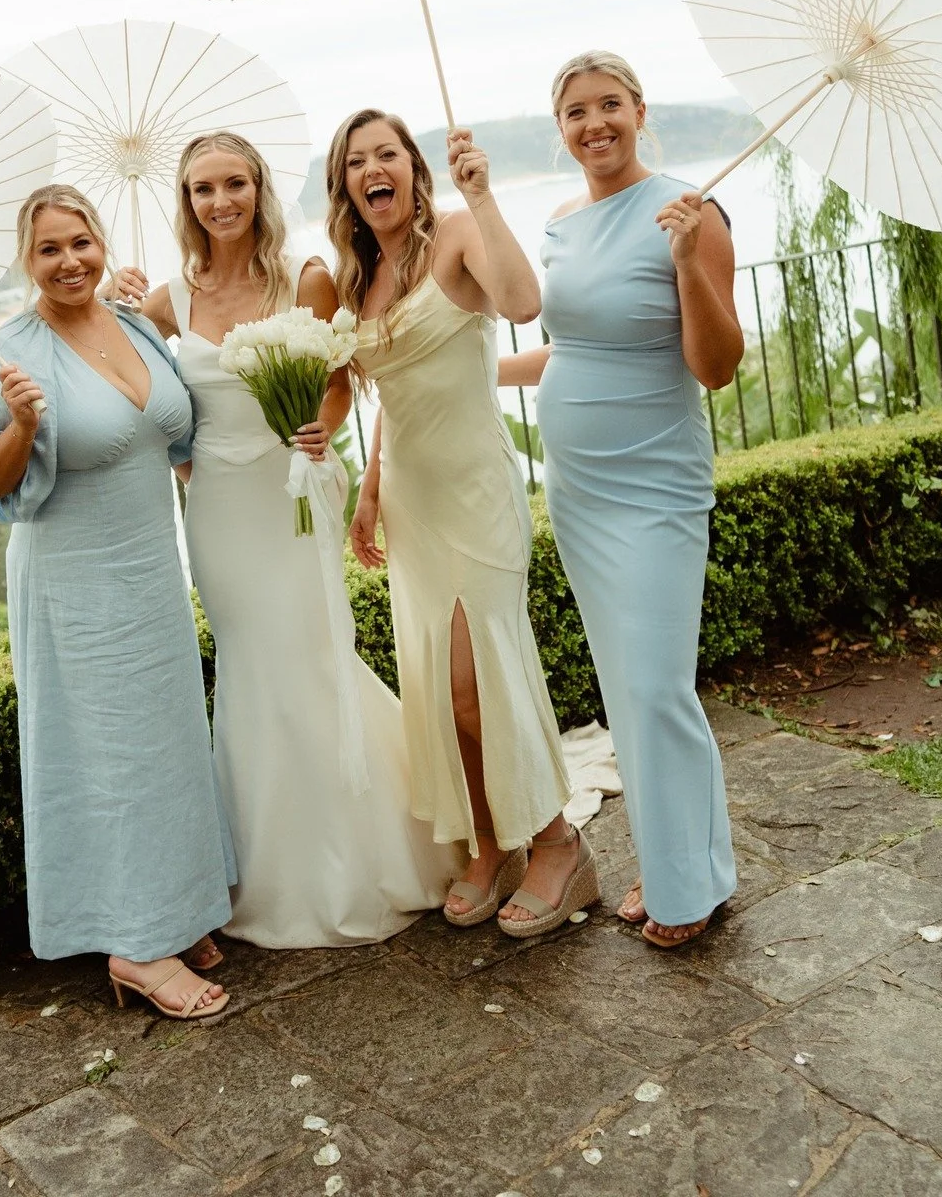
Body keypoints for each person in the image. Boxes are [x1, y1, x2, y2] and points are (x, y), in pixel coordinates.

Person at [111, 132, 459, 946]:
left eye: (234, 183)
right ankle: (264, 868)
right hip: (219, 513)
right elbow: (127, 377)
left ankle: (363, 853)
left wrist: (317, 433)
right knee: (250, 674)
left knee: (311, 659)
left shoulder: (303, 278)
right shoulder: (168, 298)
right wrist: (116, 298)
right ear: (186, 202)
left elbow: (340, 385)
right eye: (203, 189)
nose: (220, 201)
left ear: (259, 190)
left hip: (294, 491)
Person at [0, 183, 236, 1018]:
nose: (69, 262)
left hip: (151, 572)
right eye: (49, 250)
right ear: (25, 261)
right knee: (112, 757)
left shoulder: (132, 321)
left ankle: (180, 907)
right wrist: (20, 427)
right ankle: (137, 947)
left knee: (166, 741)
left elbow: (172, 431)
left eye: (81, 244)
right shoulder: (9, 356)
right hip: (76, 584)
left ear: (102, 245)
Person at [501, 52, 742, 947]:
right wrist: (467, 374)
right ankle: (680, 861)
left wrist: (685, 260)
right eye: (575, 111)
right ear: (559, 128)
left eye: (609, 105)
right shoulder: (563, 221)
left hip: (655, 481)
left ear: (640, 111)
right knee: (626, 690)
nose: (594, 123)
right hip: (580, 491)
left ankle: (692, 885)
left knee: (655, 685)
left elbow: (714, 365)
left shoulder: (693, 210)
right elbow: (569, 350)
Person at [336, 109, 595, 939]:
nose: (373, 169)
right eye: (355, 162)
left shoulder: (453, 235)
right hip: (412, 502)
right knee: (443, 698)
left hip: (477, 496)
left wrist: (482, 198)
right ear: (345, 185)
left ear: (414, 169)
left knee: (478, 685)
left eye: (388, 155)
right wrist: (370, 488)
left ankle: (558, 845)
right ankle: (488, 845)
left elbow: (523, 301)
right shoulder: (359, 278)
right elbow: (393, 398)